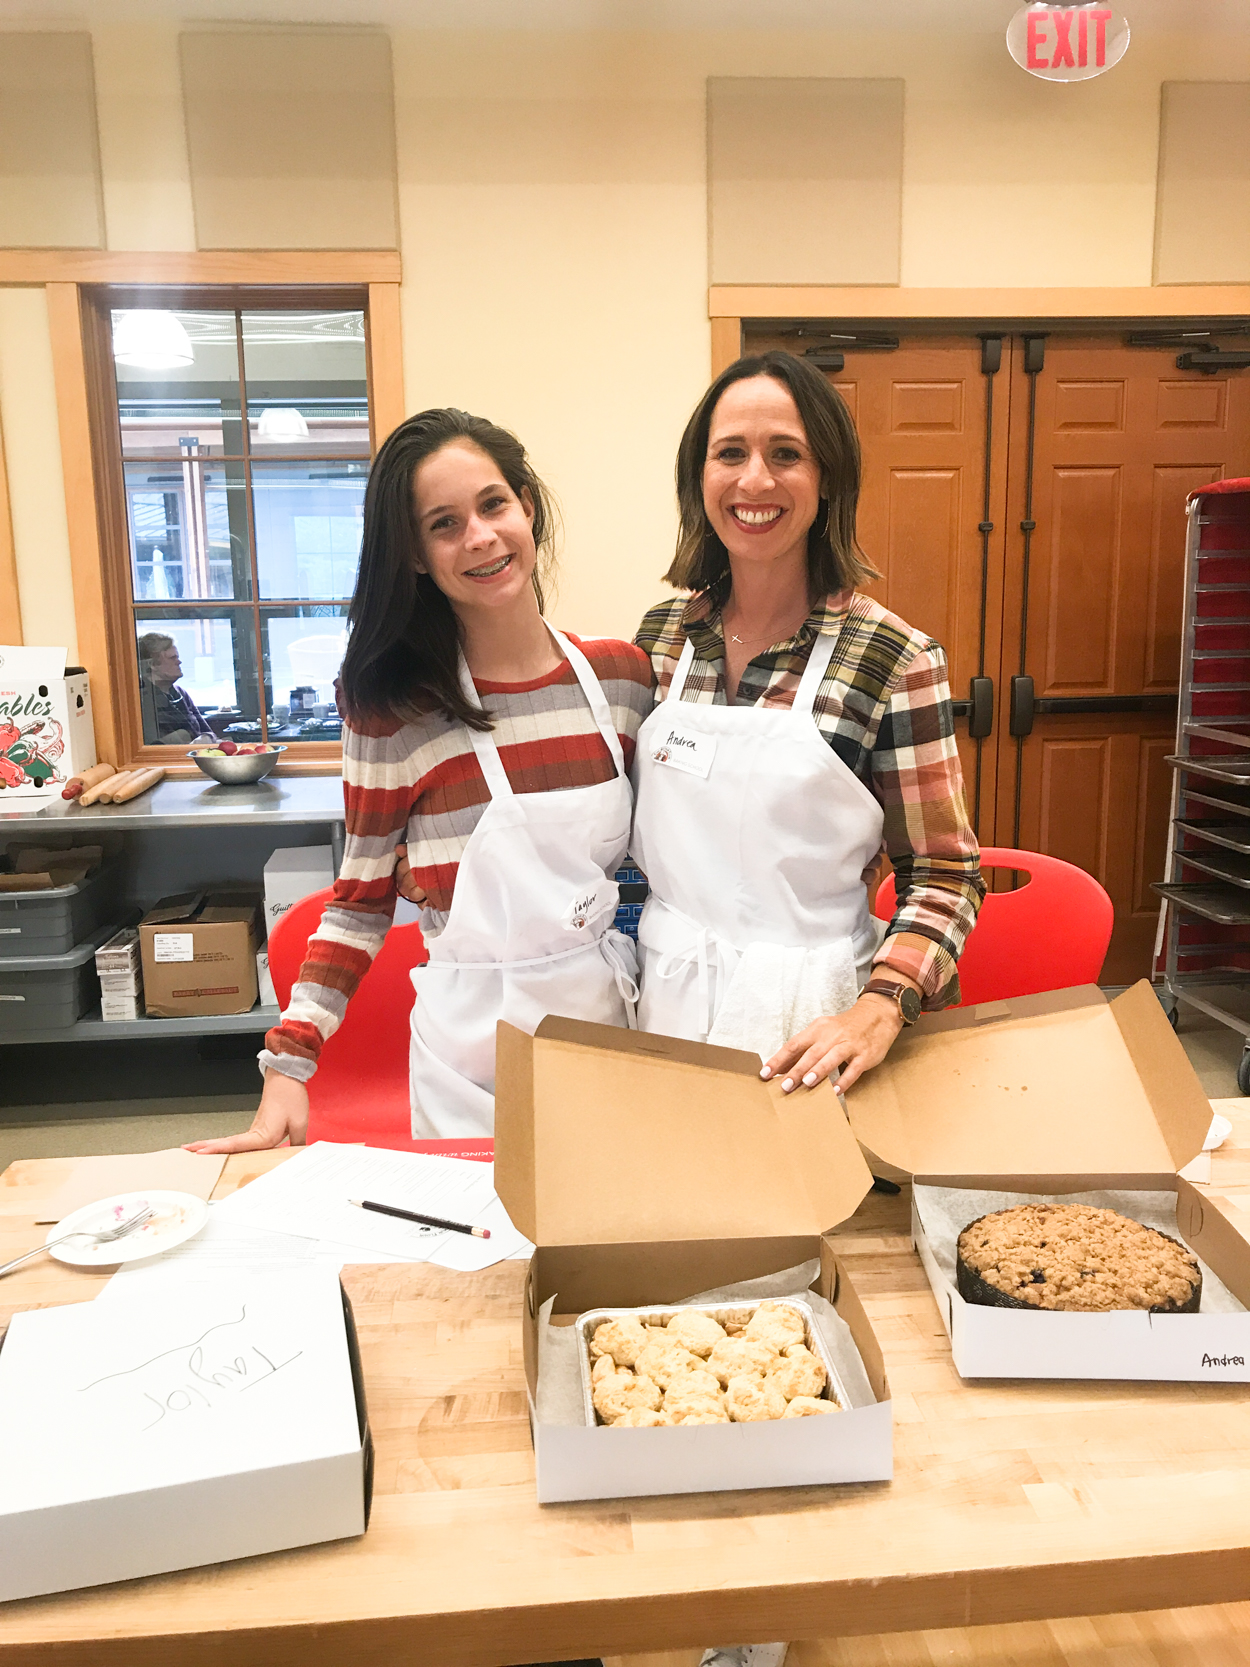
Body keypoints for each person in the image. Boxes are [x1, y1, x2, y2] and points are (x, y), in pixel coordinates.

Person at [187, 408, 652, 1155]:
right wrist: (288, 1063)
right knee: (479, 1263)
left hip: (606, 1031)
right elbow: (360, 900)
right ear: (413, 557)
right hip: (473, 1058)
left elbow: (656, 855)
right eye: (444, 523)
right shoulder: (395, 712)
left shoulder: (621, 679)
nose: (480, 536)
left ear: (526, 505)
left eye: (494, 504)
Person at [631, 350, 984, 1098]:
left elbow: (945, 871)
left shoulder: (895, 657)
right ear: (700, 476)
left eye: (785, 454)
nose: (754, 480)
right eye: (730, 453)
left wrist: (883, 1003)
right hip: (660, 1005)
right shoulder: (660, 637)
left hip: (809, 1021)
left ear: (827, 482)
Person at [136, 633, 215, 744]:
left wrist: (207, 737)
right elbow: (155, 745)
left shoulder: (180, 693)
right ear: (152, 665)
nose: (179, 662)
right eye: (173, 658)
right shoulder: (141, 698)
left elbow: (207, 731)